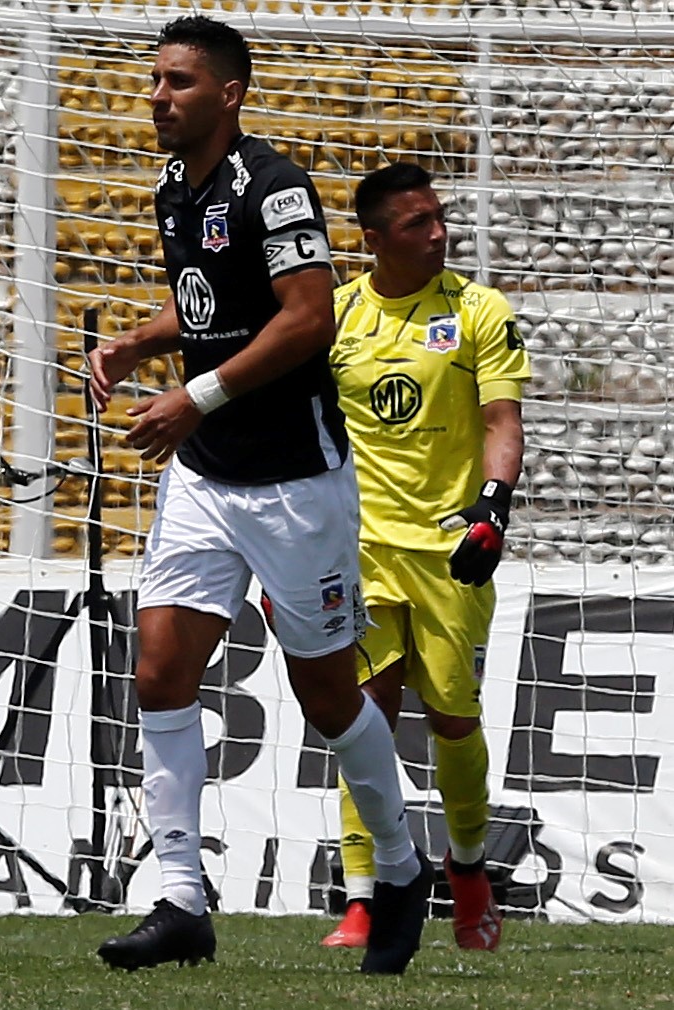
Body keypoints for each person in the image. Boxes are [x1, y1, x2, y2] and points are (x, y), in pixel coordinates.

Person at [86, 16, 433, 975]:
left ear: (230, 94)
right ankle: (181, 901)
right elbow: (211, 308)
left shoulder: (275, 189)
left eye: (179, 83)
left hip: (294, 483)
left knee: (324, 691)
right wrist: (136, 343)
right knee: (159, 671)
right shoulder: (172, 188)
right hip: (207, 480)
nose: (158, 96)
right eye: (156, 80)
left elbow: (308, 319)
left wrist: (192, 396)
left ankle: (401, 870)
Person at [318, 162, 528, 951]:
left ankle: (469, 872)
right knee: (361, 716)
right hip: (360, 548)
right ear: (372, 240)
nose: (438, 232)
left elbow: (502, 420)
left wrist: (493, 511)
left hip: (450, 549)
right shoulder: (333, 316)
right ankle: (367, 893)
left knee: (452, 716)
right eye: (417, 223)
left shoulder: (478, 309)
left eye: (439, 218)